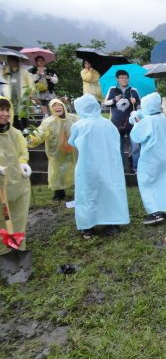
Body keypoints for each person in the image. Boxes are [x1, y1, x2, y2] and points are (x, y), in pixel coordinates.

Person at [68, 94, 130, 239]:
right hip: (108, 164)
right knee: (110, 191)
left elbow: (73, 143)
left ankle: (87, 226)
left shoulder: (78, 125)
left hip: (87, 165)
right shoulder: (108, 124)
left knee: (87, 193)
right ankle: (112, 223)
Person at [0, 97, 32, 284]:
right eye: (0, 110)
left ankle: (18, 248)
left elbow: (22, 151)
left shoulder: (15, 133)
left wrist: (22, 164)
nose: (4, 114)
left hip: (17, 184)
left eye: (6, 110)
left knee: (18, 217)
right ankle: (4, 252)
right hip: (1, 187)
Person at [131, 92, 166, 225]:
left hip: (152, 157)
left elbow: (136, 136)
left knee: (147, 181)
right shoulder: (161, 116)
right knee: (164, 180)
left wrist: (136, 122)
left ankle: (155, 212)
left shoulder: (148, 121)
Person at [27, 98, 78, 201]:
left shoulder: (73, 119)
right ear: (51, 108)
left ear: (63, 106)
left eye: (59, 105)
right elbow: (40, 133)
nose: (57, 107)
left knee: (75, 170)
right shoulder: (48, 122)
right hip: (56, 152)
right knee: (57, 172)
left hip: (73, 151)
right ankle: (59, 194)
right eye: (54, 106)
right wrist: (32, 139)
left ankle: (77, 192)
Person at [103, 69, 141, 173]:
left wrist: (136, 102)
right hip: (116, 123)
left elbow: (140, 107)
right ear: (117, 79)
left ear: (128, 79)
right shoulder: (112, 89)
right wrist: (114, 100)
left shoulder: (134, 90)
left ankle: (136, 168)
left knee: (135, 147)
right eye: (121, 77)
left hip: (132, 123)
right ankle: (119, 169)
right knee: (117, 147)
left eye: (125, 77)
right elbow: (105, 103)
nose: (124, 79)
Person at [2, 56, 35, 130]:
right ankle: (12, 129)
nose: (11, 63)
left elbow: (30, 83)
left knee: (23, 114)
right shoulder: (5, 71)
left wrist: (30, 93)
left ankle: (24, 130)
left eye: (12, 61)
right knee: (11, 113)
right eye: (9, 61)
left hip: (22, 97)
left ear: (17, 62)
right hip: (9, 97)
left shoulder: (24, 71)